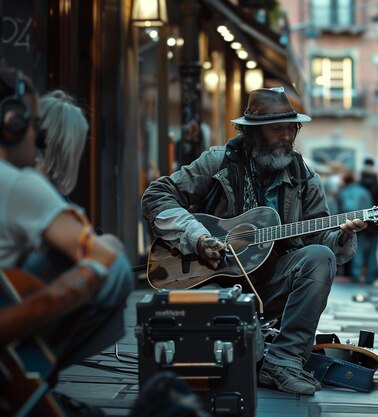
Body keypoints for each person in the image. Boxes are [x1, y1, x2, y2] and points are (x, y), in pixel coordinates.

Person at [141, 87, 366, 396]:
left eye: (292, 128)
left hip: (271, 283)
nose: (287, 136)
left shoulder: (305, 177)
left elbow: (319, 238)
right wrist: (197, 237)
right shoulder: (218, 162)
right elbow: (156, 195)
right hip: (212, 281)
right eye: (277, 129)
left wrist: (343, 233)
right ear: (253, 133)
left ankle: (284, 362)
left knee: (319, 257)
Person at [0, 69, 134, 412]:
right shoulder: (18, 184)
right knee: (115, 265)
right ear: (12, 124)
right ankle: (32, 376)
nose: (38, 137)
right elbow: (104, 255)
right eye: (34, 127)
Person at [337, 170, 373, 283]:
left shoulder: (343, 192)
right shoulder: (364, 191)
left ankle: (356, 274)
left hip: (346, 223)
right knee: (365, 249)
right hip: (364, 222)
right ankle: (368, 276)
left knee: (353, 248)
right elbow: (369, 206)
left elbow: (341, 208)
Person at [358, 158, 378, 283]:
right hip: (375, 224)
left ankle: (356, 274)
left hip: (360, 221)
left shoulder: (359, 184)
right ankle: (371, 276)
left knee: (359, 248)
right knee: (373, 250)